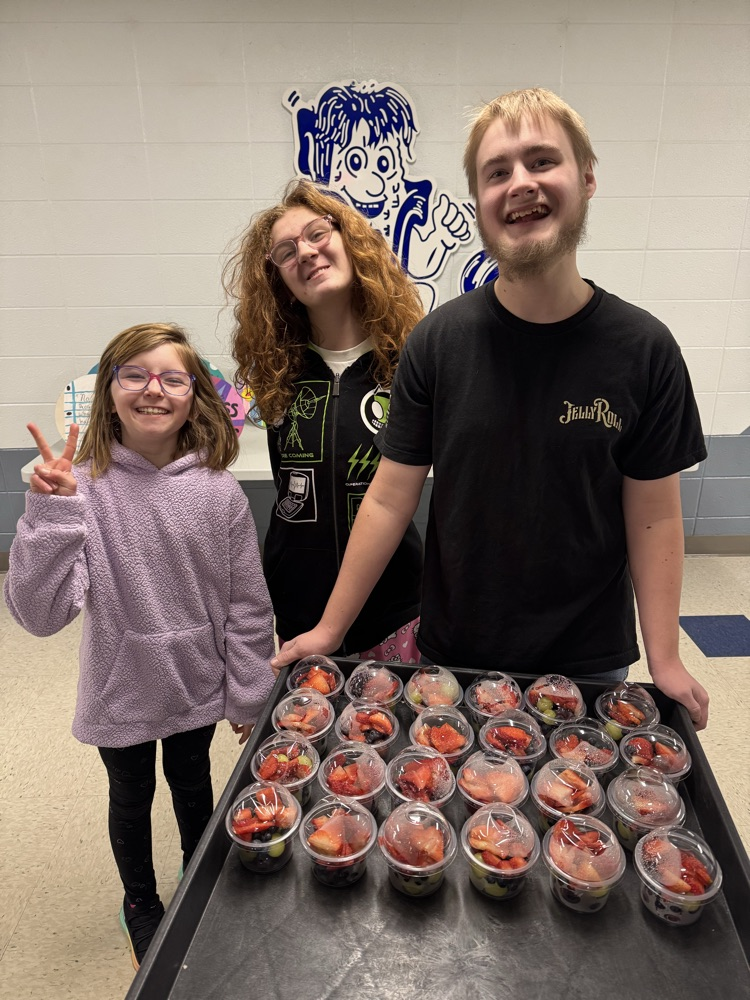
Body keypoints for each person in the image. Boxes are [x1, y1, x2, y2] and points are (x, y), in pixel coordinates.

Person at [270, 88, 710, 731]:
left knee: (578, 826)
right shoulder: (439, 343)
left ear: (587, 178)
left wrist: (666, 658)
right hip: (456, 652)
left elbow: (652, 515)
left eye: (541, 162)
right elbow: (390, 500)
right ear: (478, 202)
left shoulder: (645, 350)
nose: (520, 184)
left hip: (589, 659)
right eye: (497, 172)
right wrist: (330, 628)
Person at [4, 323, 275, 970]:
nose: (153, 388)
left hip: (194, 685)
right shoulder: (83, 488)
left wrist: (248, 691)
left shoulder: (218, 493)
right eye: (134, 374)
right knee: (129, 798)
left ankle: (198, 874)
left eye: (172, 377)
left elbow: (247, 603)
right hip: (120, 687)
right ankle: (140, 901)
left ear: (193, 396)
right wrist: (49, 514)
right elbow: (40, 616)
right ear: (109, 390)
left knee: (192, 786)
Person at [224, 180, 425, 664]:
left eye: (317, 233)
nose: (306, 253)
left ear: (350, 240)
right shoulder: (276, 374)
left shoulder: (410, 365)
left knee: (397, 735)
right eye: (286, 251)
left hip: (395, 607)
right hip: (301, 608)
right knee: (311, 739)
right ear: (279, 281)